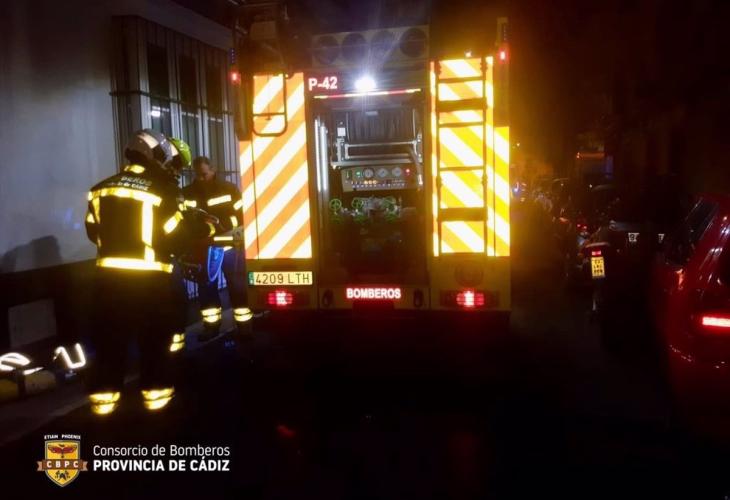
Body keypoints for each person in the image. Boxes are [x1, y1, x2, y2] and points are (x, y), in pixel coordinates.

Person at [84, 130, 215, 415]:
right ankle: (156, 405)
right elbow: (176, 236)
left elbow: (93, 232)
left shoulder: (100, 189)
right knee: (154, 342)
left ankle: (103, 404)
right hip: (151, 283)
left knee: (109, 342)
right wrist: (203, 229)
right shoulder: (161, 190)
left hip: (106, 283)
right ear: (156, 156)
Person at [182, 156, 251, 340]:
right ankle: (211, 326)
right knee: (206, 288)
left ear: (213, 170)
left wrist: (223, 223)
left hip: (229, 246)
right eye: (197, 175)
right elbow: (184, 220)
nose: (201, 178)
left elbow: (243, 215)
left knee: (237, 286)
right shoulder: (187, 193)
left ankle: (244, 326)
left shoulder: (229, 189)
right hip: (203, 248)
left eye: (204, 174)